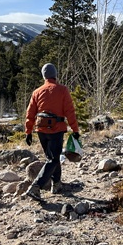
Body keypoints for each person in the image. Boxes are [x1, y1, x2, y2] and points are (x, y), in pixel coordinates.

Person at [23, 63, 79, 201]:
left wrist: (28, 132)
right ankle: (36, 186)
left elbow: (30, 114)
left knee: (53, 157)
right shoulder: (62, 90)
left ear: (44, 76)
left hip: (41, 130)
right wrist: (75, 129)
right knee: (53, 159)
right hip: (57, 129)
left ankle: (56, 184)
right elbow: (70, 111)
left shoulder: (37, 92)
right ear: (55, 75)